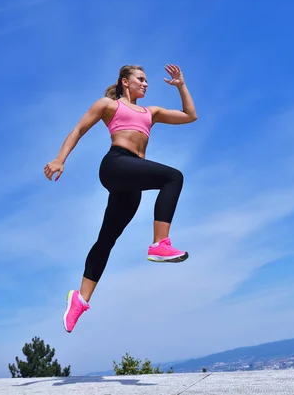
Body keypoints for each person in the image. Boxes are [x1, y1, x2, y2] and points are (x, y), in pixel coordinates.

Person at [43, 64, 198, 333]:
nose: (146, 84)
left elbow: (190, 115)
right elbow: (79, 129)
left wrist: (181, 85)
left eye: (147, 80)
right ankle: (160, 244)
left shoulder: (152, 113)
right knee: (173, 177)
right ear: (125, 82)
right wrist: (60, 159)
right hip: (116, 165)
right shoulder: (109, 105)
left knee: (106, 240)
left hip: (131, 182)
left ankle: (79, 299)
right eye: (141, 79)